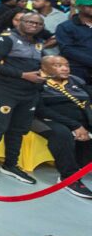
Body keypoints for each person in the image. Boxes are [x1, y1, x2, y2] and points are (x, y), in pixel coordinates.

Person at [0, 12, 46, 185]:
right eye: (30, 22)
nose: (34, 25)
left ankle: (10, 165)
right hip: (3, 90)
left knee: (17, 130)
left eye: (38, 24)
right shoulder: (6, 39)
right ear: (20, 22)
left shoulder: (39, 43)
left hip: (29, 92)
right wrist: (23, 75)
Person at [34, 55, 92, 198]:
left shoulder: (76, 80)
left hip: (77, 119)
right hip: (44, 118)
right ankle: (69, 177)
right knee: (62, 133)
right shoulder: (36, 81)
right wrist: (75, 125)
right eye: (58, 65)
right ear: (44, 67)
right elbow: (41, 110)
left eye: (67, 65)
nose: (65, 69)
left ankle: (83, 164)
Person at [55, 0, 92, 82]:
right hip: (78, 70)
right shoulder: (65, 26)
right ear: (79, 7)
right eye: (89, 6)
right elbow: (66, 49)